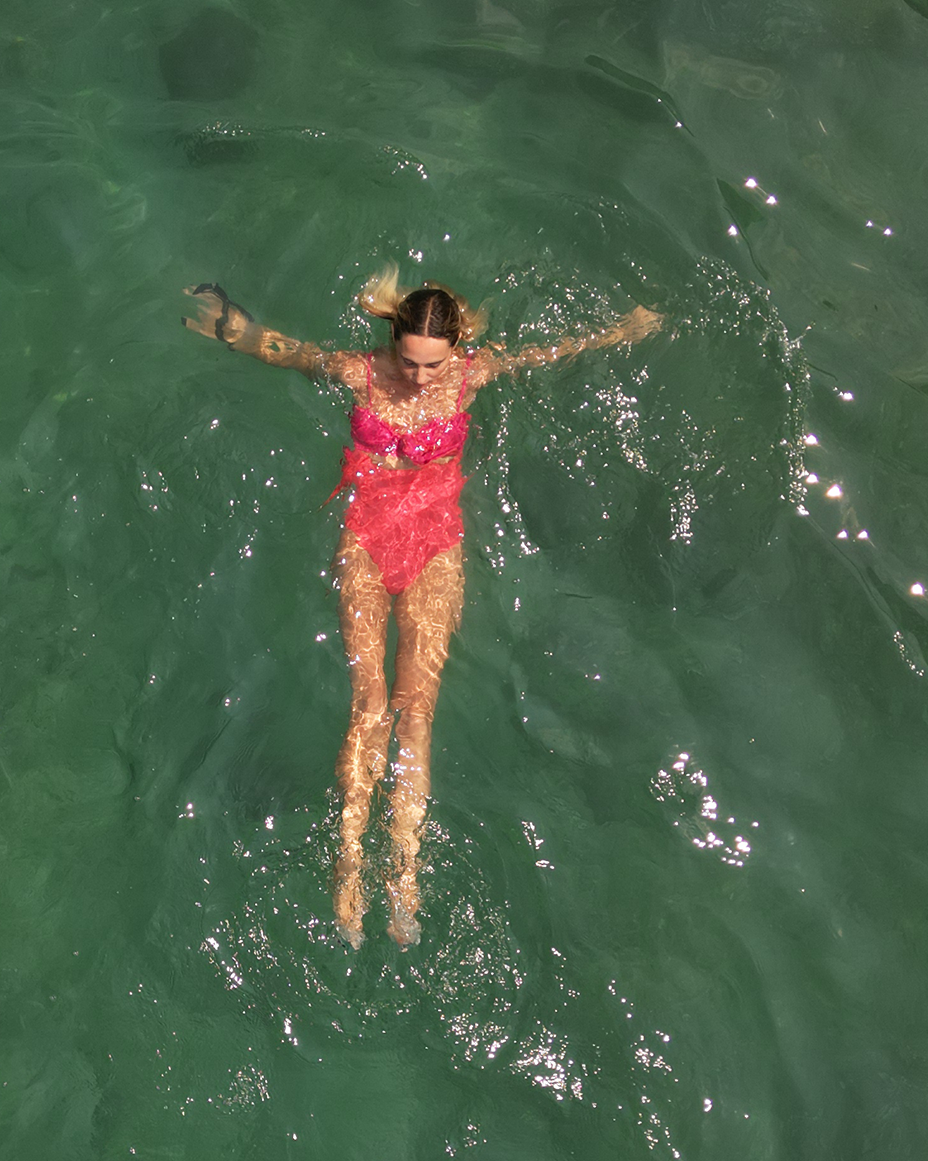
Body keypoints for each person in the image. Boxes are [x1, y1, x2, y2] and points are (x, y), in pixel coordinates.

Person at [182, 266, 662, 949]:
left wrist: (622, 330)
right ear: (392, 341)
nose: (417, 379)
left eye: (431, 366)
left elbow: (548, 352)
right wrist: (227, 322)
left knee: (417, 714)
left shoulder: (473, 374)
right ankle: (348, 867)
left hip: (437, 545)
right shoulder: (358, 371)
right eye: (408, 362)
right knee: (368, 704)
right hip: (367, 539)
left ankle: (403, 873)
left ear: (455, 351)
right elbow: (281, 348)